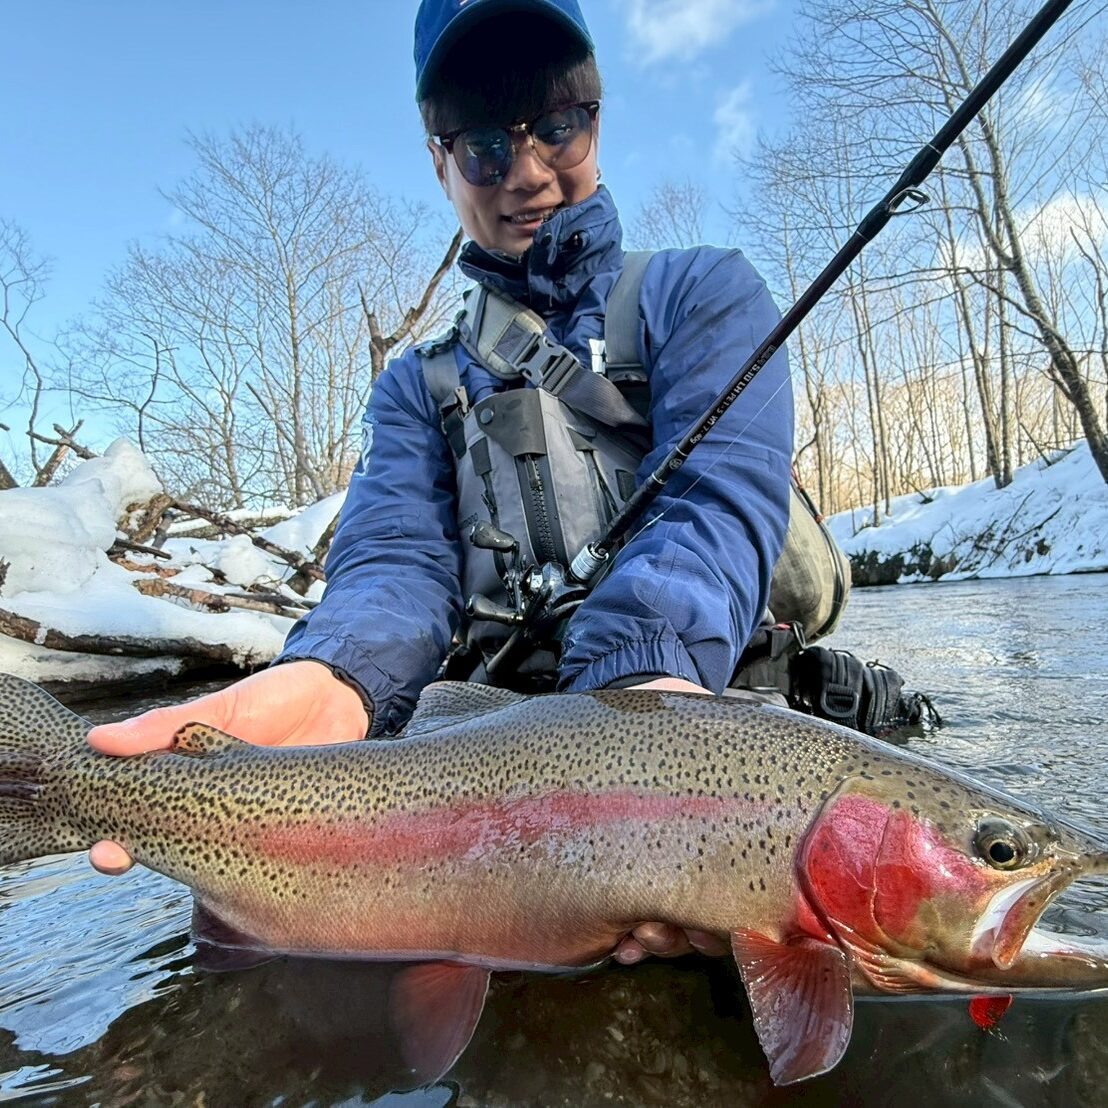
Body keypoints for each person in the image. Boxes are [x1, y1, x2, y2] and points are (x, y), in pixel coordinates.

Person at [86, 0, 793, 965]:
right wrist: (332, 678)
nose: (530, 172)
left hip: (678, 712)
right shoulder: (416, 386)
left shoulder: (702, 295)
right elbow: (393, 564)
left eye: (556, 125)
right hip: (483, 765)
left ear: (598, 118)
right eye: (484, 149)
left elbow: (717, 510)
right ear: (439, 162)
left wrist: (639, 718)